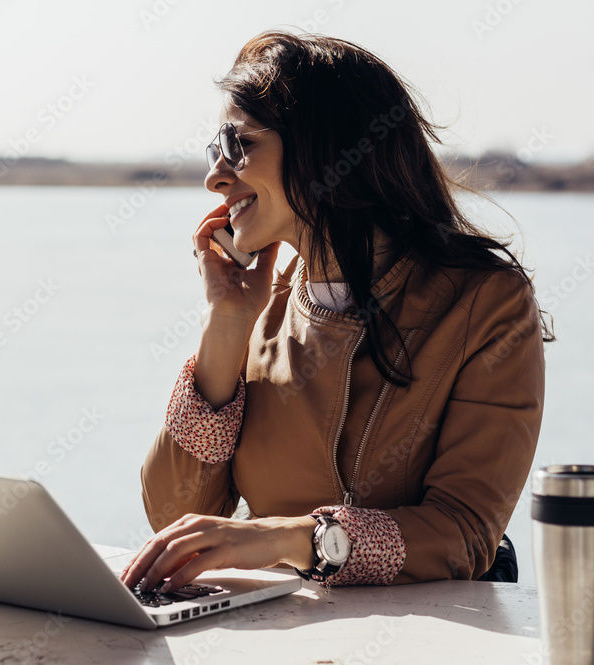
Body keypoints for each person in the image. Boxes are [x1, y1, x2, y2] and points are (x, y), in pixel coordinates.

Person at [120, 31, 550, 592]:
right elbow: (172, 515)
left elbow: (465, 531)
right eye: (215, 151)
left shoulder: (486, 302)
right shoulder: (259, 311)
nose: (216, 177)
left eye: (240, 145)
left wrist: (291, 539)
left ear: (326, 146)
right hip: (275, 630)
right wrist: (224, 324)